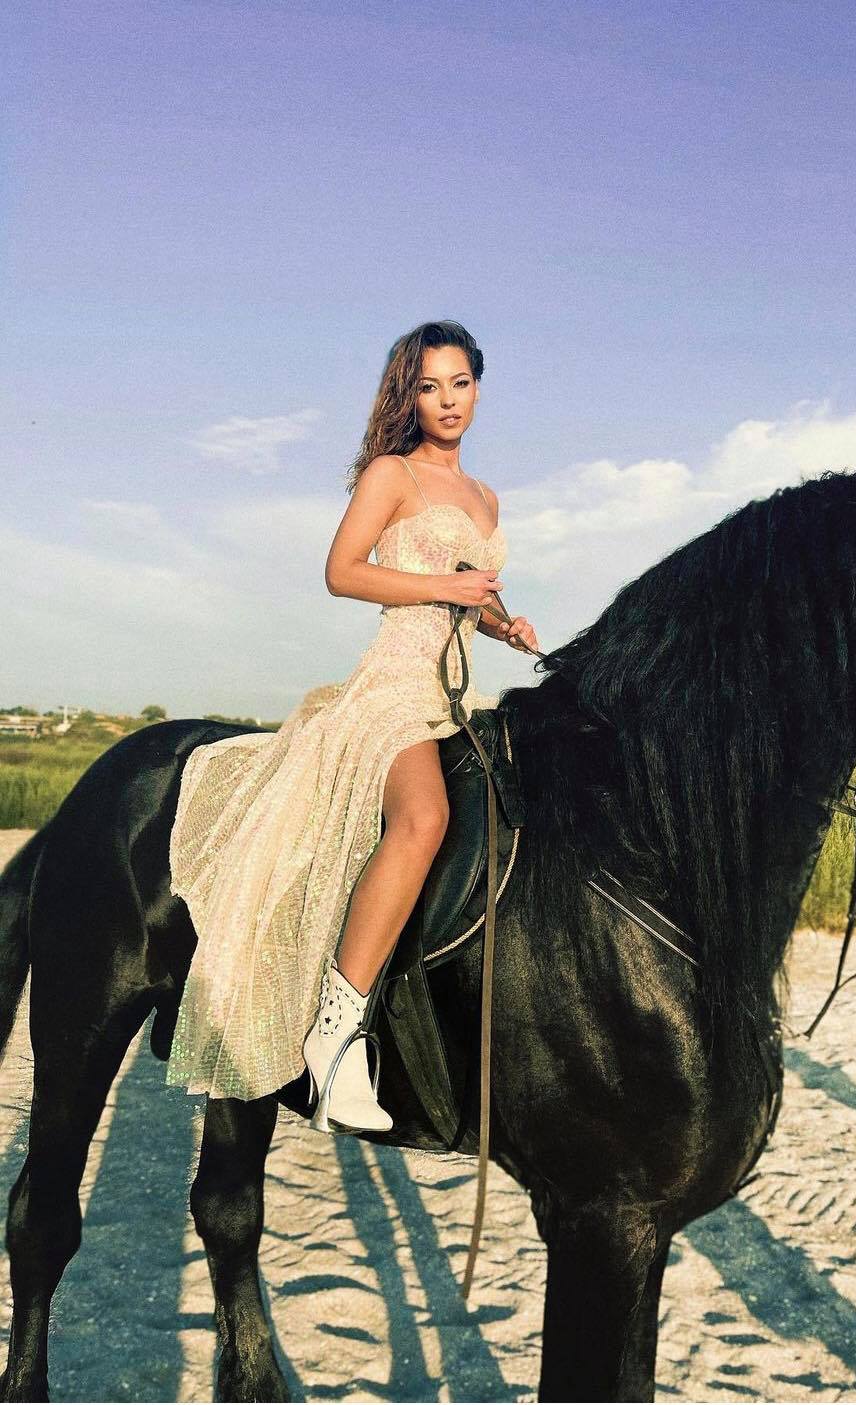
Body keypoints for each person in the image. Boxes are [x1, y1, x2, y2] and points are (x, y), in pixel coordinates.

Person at [165, 320, 539, 1134]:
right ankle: (335, 1037)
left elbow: (466, 590)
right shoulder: (391, 473)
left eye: (460, 383)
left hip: (457, 690)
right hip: (395, 684)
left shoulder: (485, 497)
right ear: (409, 396)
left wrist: (502, 624)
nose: (447, 400)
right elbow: (343, 572)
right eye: (429, 386)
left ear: (479, 387)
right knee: (423, 818)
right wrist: (447, 589)